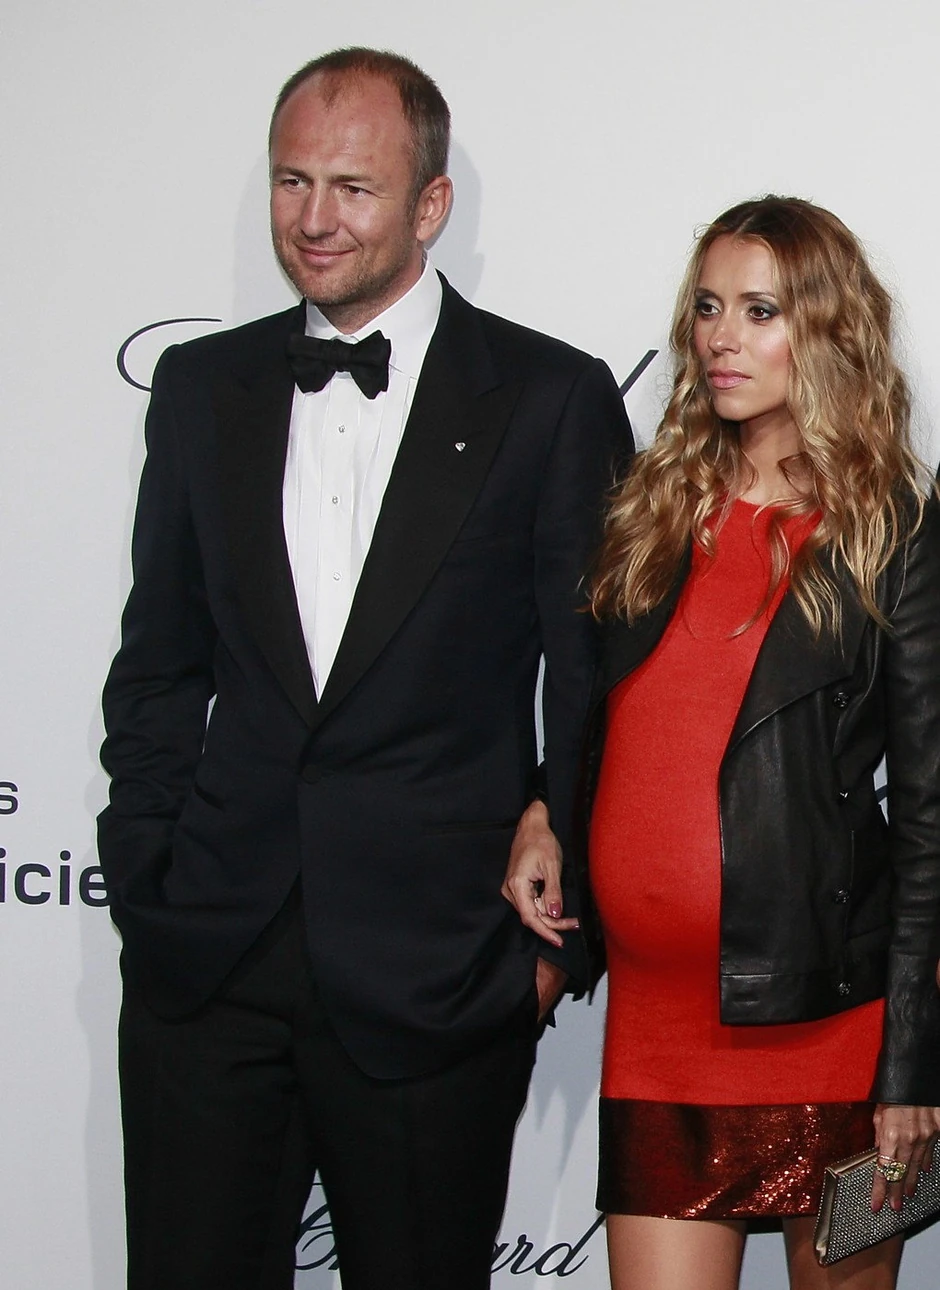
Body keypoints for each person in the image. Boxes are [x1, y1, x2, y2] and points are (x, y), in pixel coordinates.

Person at [97, 46, 631, 1290]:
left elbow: (595, 677)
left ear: (429, 205)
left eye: (353, 187)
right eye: (292, 182)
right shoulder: (201, 388)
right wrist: (148, 876)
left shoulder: (547, 399)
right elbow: (159, 662)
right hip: (208, 959)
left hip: (436, 966)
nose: (313, 219)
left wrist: (555, 943)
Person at [503, 196, 940, 1290]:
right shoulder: (650, 512)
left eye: (759, 311)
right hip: (658, 1031)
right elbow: (594, 724)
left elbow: (930, 817)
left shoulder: (892, 528)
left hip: (835, 1033)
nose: (721, 339)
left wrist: (912, 1062)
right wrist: (543, 811)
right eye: (707, 308)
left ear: (826, 330)